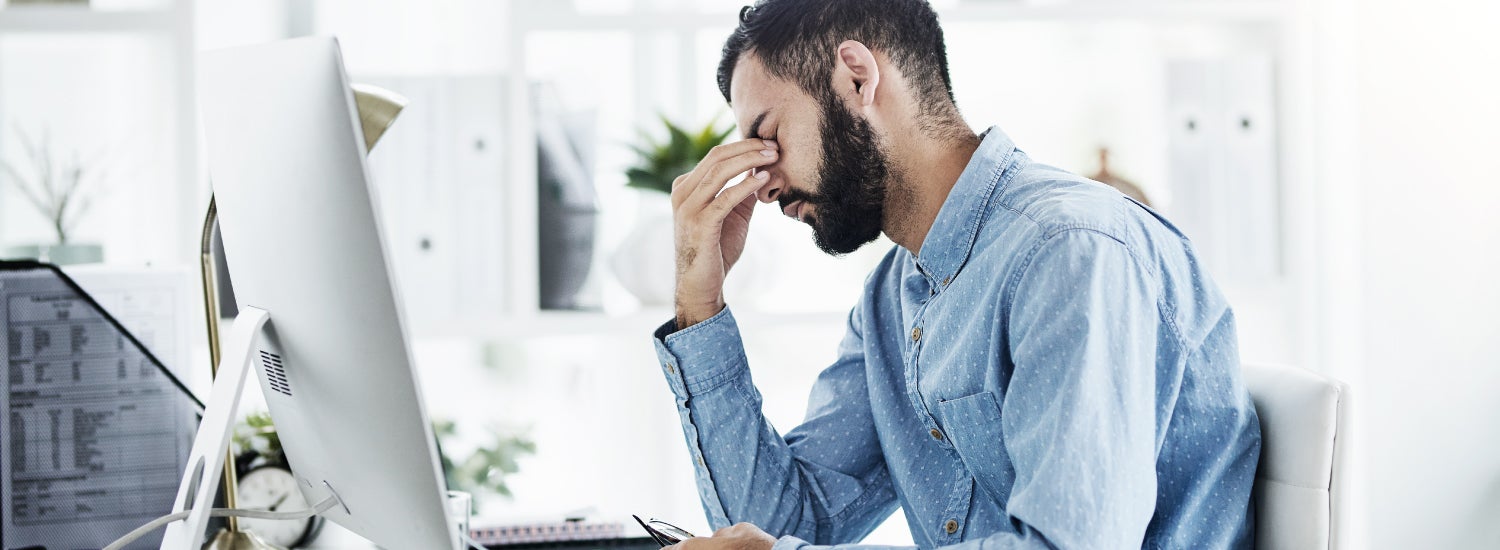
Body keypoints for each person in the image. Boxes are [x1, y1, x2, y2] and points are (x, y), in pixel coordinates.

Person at [649, 1, 1261, 548]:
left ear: (857, 77)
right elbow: (786, 523)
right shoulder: (895, 295)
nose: (764, 184)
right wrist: (699, 301)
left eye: (768, 136)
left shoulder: (1070, 252)